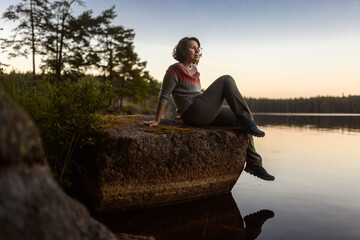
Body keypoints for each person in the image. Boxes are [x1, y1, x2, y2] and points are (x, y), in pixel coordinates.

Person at [141, 37, 274, 181]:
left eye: (198, 48)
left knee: (239, 117)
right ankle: (248, 121)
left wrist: (184, 113)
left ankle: (254, 163)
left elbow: (191, 94)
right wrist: (157, 120)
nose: (197, 51)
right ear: (182, 50)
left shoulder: (195, 71)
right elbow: (164, 95)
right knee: (226, 80)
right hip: (193, 112)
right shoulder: (174, 70)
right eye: (192, 47)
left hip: (198, 110)